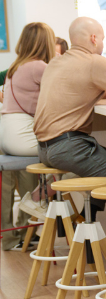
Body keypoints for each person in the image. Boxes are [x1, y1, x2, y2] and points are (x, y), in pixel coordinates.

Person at [34, 17, 106, 195]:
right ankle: (87, 219)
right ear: (93, 38)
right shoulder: (95, 62)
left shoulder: (54, 63)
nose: (103, 44)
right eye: (102, 39)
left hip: (44, 150)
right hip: (69, 148)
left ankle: (83, 218)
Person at [0, 23, 55, 249]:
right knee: (72, 156)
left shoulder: (17, 66)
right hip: (23, 137)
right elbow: (63, 94)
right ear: (46, 42)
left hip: (7, 135)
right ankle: (36, 200)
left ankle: (36, 202)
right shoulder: (39, 66)